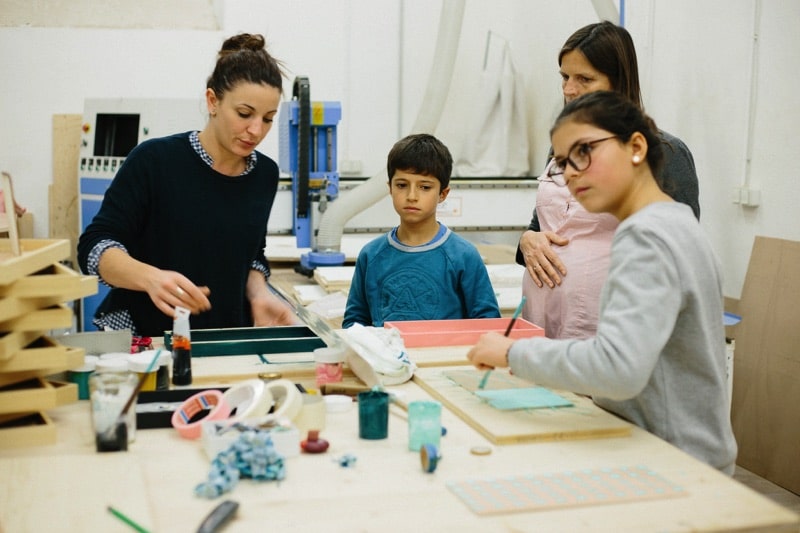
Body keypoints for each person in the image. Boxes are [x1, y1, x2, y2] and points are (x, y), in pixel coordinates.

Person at [468, 91, 737, 475]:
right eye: (563, 162)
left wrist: (512, 353)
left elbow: (618, 369)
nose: (571, 173)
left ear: (636, 147)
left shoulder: (646, 237)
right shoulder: (675, 221)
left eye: (584, 151)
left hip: (674, 460)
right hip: (678, 450)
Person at [77, 33, 296, 337]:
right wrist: (151, 278)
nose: (256, 130)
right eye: (244, 114)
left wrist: (259, 294)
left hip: (223, 335)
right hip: (145, 336)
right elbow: (94, 246)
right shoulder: (154, 161)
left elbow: (250, 254)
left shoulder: (264, 175)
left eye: (268, 118)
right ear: (213, 101)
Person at [517, 21, 700, 339]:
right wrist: (526, 241)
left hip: (610, 326)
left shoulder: (665, 152)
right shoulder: (563, 145)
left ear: (618, 82)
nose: (569, 90)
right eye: (565, 77)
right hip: (543, 319)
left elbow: (681, 255)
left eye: (584, 79)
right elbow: (544, 224)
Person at [342, 133, 500, 328]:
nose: (412, 196)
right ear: (390, 188)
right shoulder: (371, 254)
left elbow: (488, 322)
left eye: (425, 187)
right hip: (386, 349)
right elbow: (354, 322)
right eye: (402, 185)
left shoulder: (463, 256)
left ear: (443, 194)